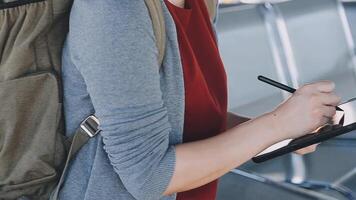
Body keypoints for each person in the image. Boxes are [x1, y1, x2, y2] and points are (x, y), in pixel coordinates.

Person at [59, 0, 341, 199]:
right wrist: (276, 125)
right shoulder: (114, 10)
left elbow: (187, 119)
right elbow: (149, 177)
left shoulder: (202, 4)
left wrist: (287, 131)